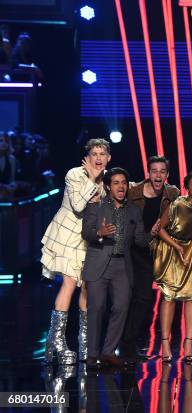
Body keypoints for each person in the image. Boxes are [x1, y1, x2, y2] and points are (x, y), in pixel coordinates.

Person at [41, 138, 111, 364]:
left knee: (88, 288)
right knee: (69, 282)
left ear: (108, 158)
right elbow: (79, 206)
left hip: (88, 240)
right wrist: (91, 179)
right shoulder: (74, 174)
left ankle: (85, 343)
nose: (98, 158)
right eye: (94, 154)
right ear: (87, 158)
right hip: (67, 236)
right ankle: (57, 343)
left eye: (102, 154)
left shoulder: (107, 180)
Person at [81, 167, 150, 368]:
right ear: (108, 187)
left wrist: (153, 233)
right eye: (116, 183)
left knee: (121, 307)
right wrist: (100, 232)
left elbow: (140, 240)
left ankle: (108, 352)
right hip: (99, 263)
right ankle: (92, 354)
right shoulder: (96, 206)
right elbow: (87, 232)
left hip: (122, 265)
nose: (121, 186)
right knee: (97, 308)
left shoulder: (134, 211)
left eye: (124, 183)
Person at [120, 156, 179, 361]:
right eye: (154, 171)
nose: (158, 175)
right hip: (131, 250)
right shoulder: (133, 191)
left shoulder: (172, 193)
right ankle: (124, 344)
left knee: (147, 298)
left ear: (167, 175)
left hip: (154, 251)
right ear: (148, 173)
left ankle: (130, 342)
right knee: (131, 298)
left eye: (162, 171)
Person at [152, 171, 192, 362]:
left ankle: (188, 345)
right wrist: (177, 246)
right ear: (187, 188)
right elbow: (160, 229)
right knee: (169, 296)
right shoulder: (178, 204)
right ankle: (165, 343)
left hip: (190, 248)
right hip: (171, 247)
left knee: (191, 296)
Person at [0, 131, 17, 199]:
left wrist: (13, 185)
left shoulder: (11, 159)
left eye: (6, 141)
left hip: (6, 195)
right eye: (1, 140)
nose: (4, 143)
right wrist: (5, 186)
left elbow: (12, 179)